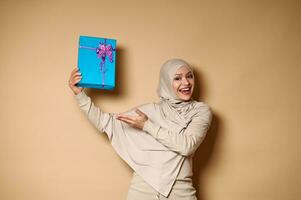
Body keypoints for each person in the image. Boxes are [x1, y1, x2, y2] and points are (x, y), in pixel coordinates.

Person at [68, 58, 212, 200]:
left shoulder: (200, 111)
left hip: (180, 191)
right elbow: (105, 122)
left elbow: (187, 146)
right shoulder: (150, 111)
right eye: (177, 78)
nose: (186, 82)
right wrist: (79, 95)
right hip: (143, 189)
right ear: (166, 82)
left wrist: (147, 126)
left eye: (189, 76)